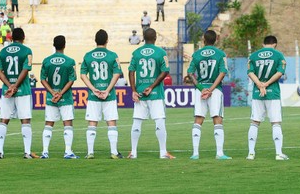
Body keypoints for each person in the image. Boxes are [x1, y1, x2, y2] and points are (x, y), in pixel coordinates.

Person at [128, 28, 175, 159]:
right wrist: (152, 86)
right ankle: (163, 152)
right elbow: (165, 71)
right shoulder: (161, 52)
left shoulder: (136, 53)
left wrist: (133, 91)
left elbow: (131, 72)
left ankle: (133, 152)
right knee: (159, 121)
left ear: (143, 37)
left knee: (137, 121)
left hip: (140, 94)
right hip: (155, 93)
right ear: (155, 38)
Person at [186, 30, 231, 160]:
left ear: (203, 40)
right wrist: (211, 89)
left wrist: (201, 88)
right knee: (217, 119)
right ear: (216, 39)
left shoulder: (196, 54)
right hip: (215, 90)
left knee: (198, 119)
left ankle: (195, 153)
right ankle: (219, 153)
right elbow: (222, 72)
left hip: (200, 90)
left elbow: (190, 73)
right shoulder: (220, 54)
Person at [80, 29, 123, 159]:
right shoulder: (113, 55)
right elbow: (117, 74)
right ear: (107, 40)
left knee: (92, 123)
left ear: (95, 40)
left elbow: (82, 75)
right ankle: (114, 152)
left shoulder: (88, 55)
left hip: (94, 96)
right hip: (108, 96)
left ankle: (90, 152)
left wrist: (93, 89)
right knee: (111, 122)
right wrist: (108, 90)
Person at [0, 28, 37, 159]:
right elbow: (26, 69)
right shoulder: (27, 51)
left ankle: (0, 151)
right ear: (23, 37)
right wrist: (16, 86)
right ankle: (27, 152)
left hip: (7, 91)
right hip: (23, 90)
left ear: (11, 37)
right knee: (25, 120)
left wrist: (9, 86)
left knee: (4, 120)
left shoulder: (2, 51)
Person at [245, 35, 288, 161]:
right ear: (275, 44)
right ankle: (279, 153)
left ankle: (251, 153)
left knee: (254, 122)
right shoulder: (279, 55)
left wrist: (259, 85)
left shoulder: (253, 56)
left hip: (257, 93)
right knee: (275, 123)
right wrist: (267, 84)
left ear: (263, 44)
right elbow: (280, 72)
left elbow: (250, 72)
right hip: (273, 93)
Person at [39, 35, 78, 159]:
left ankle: (45, 152)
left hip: (51, 98)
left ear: (53, 45)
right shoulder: (70, 61)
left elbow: (42, 80)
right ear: (64, 45)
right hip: (65, 97)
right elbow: (71, 80)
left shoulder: (46, 60)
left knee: (48, 124)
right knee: (67, 124)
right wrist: (60, 94)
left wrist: (52, 92)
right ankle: (68, 151)